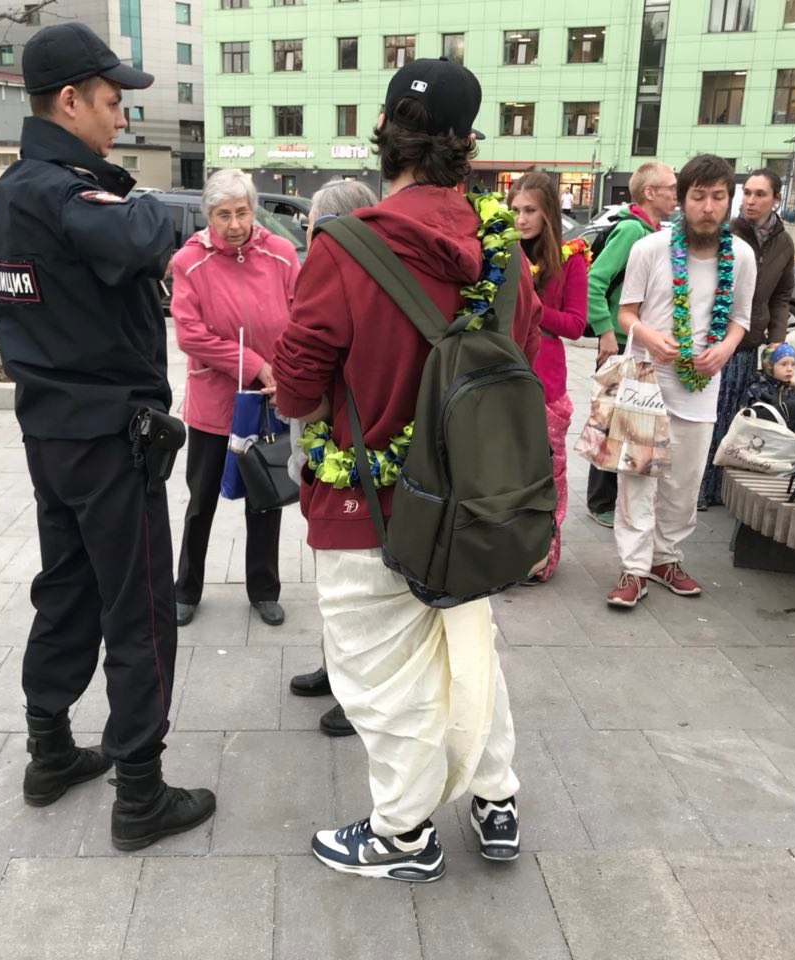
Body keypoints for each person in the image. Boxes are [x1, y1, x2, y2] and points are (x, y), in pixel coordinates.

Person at [273, 57, 543, 883]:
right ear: (468, 145)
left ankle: (402, 835)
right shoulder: (505, 256)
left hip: (368, 506)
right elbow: (518, 363)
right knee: (471, 650)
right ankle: (494, 800)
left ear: (384, 130)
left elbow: (296, 386)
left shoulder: (344, 248)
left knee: (383, 678)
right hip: (472, 504)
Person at [0, 21, 214, 852]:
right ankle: (142, 795)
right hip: (105, 438)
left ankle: (50, 751)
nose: (120, 118)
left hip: (51, 433)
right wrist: (168, 205)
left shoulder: (17, 190)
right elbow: (140, 234)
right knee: (140, 606)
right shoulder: (61, 190)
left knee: (69, 588)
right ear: (71, 99)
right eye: (113, 102)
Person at [606, 154, 756, 609]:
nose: (707, 207)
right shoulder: (650, 248)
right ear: (682, 201)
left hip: (700, 386)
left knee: (685, 483)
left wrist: (726, 349)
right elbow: (626, 312)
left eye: (717, 197)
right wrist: (650, 336)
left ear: (728, 201)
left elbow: (741, 319)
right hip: (645, 381)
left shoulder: (742, 256)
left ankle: (665, 558)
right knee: (636, 480)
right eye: (698, 197)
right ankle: (633, 568)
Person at [171, 169, 300, 629]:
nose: (234, 224)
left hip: (268, 401)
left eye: (242, 212)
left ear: (253, 209)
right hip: (214, 404)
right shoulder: (188, 262)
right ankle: (185, 589)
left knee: (265, 496)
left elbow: (301, 322)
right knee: (200, 500)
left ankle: (264, 589)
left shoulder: (283, 254)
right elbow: (190, 334)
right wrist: (251, 362)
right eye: (223, 215)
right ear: (208, 216)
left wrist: (282, 372)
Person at [285, 177, 379, 741]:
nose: (309, 237)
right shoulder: (334, 269)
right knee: (334, 580)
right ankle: (337, 666)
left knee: (354, 585)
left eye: (314, 228)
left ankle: (355, 690)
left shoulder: (352, 277)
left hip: (350, 447)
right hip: (325, 443)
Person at [584, 161, 678, 528]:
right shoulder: (631, 231)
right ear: (650, 192)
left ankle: (612, 500)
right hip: (621, 343)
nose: (676, 193)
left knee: (624, 424)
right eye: (670, 187)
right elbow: (595, 280)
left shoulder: (652, 231)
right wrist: (606, 330)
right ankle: (601, 502)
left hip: (634, 341)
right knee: (611, 426)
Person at [698, 169, 795, 508]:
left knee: (733, 418)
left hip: (750, 343)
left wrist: (777, 342)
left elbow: (782, 295)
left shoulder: (783, 241)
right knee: (708, 415)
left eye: (760, 194)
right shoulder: (727, 233)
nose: (751, 201)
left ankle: (718, 489)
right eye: (748, 193)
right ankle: (697, 489)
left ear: (775, 199)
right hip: (714, 340)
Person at [508, 171, 588, 581]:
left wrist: (532, 304)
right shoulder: (500, 253)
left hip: (545, 379)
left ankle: (541, 556)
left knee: (546, 472)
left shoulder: (571, 258)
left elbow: (576, 324)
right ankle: (502, 550)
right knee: (504, 471)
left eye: (530, 210)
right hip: (502, 375)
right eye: (516, 210)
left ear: (548, 213)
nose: (521, 219)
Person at [744, 342, 795, 441]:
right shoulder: (758, 389)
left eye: (793, 364)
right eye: (783, 364)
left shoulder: (791, 390)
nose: (789, 369)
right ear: (769, 366)